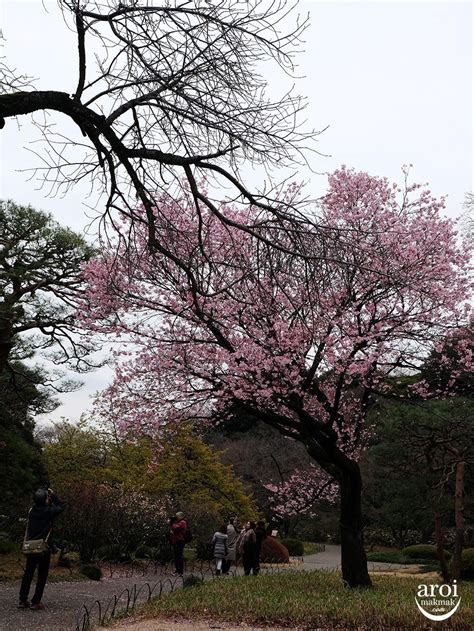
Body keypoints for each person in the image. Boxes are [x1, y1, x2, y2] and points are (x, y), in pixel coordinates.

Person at [18, 487, 65, 610]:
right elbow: (61, 506)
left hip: (31, 546)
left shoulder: (31, 511)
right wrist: (54, 495)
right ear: (45, 500)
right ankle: (36, 601)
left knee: (28, 573)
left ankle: (23, 600)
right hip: (43, 548)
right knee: (42, 575)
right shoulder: (49, 511)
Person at [169, 511, 187, 576]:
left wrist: (172, 523)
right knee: (176, 556)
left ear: (181, 516)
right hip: (176, 541)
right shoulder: (179, 522)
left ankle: (179, 571)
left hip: (179, 541)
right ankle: (177, 570)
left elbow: (175, 528)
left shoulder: (182, 522)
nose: (175, 517)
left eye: (177, 516)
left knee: (179, 556)